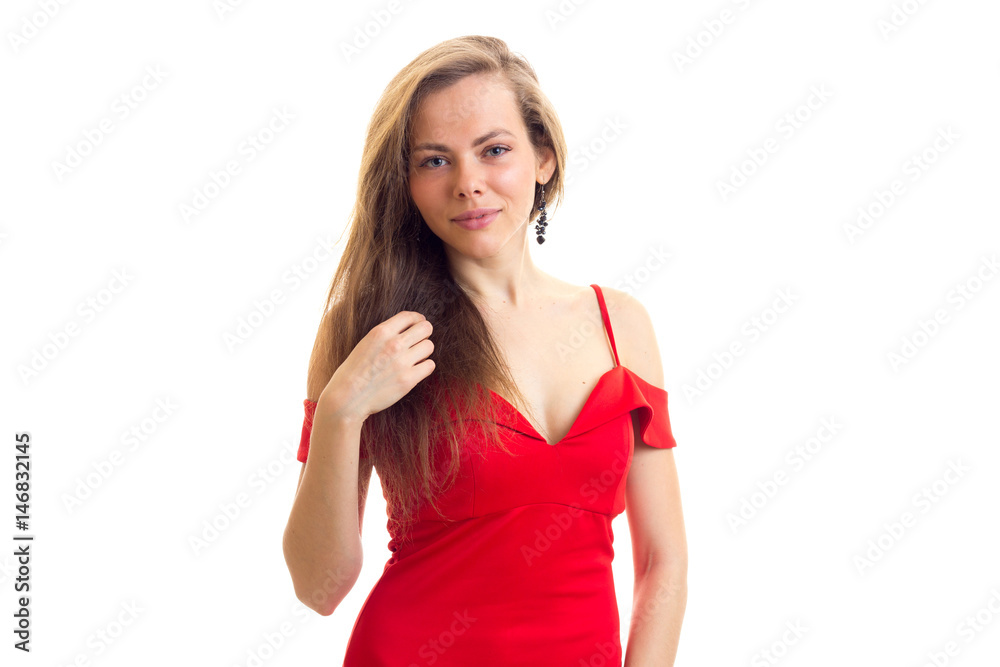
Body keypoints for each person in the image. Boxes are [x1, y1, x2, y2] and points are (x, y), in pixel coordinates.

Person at [282, 35, 686, 666]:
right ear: (406, 182)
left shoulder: (620, 326)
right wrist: (340, 412)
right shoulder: (366, 334)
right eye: (434, 161)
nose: (469, 184)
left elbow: (663, 561)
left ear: (543, 158)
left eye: (494, 150)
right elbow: (319, 586)